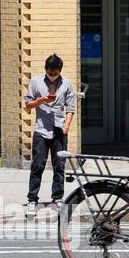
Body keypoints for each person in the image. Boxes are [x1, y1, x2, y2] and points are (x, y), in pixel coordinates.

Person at [24, 54, 75, 217]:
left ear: (60, 70)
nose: (53, 73)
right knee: (38, 165)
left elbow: (70, 108)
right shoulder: (36, 82)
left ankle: (57, 198)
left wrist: (66, 125)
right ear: (46, 69)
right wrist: (41, 100)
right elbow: (27, 106)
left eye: (56, 71)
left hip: (59, 130)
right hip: (41, 130)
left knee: (59, 166)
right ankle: (32, 199)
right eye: (50, 70)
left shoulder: (67, 83)